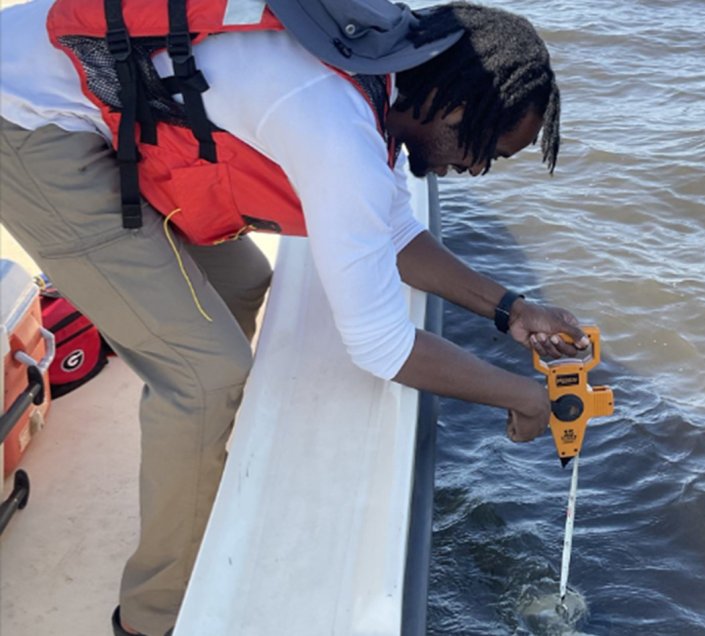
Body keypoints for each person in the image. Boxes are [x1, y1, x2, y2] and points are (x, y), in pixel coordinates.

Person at [0, 0, 587, 634]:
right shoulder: (334, 124)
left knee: (242, 282)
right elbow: (381, 346)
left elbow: (393, 232)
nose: (474, 169)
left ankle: (187, 459)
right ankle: (151, 617)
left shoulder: (378, 71)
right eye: (487, 149)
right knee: (206, 378)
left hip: (75, 91)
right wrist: (525, 397)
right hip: (26, 121)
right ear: (455, 105)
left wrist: (512, 310)